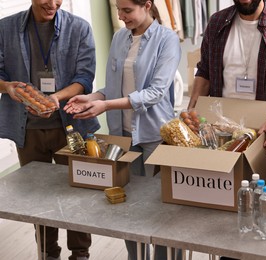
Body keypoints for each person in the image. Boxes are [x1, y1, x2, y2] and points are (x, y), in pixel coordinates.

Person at [63, 0, 181, 259]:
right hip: (122, 136)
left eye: (127, 10)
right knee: (128, 205)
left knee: (161, 208)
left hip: (153, 135)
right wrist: (93, 97)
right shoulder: (119, 38)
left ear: (147, 5)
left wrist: (105, 105)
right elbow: (114, 87)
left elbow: (156, 92)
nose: (120, 16)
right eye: (118, 9)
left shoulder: (167, 39)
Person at [0, 0, 100, 260]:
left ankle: (80, 254)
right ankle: (47, 253)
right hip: (27, 130)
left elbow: (85, 77)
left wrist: (55, 99)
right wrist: (8, 87)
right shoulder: (5, 28)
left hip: (70, 127)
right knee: (38, 198)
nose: (53, 3)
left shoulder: (79, 28)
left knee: (76, 193)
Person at [187, 0, 266, 193]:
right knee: (222, 198)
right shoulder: (217, 22)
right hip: (221, 135)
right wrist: (191, 109)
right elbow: (205, 72)